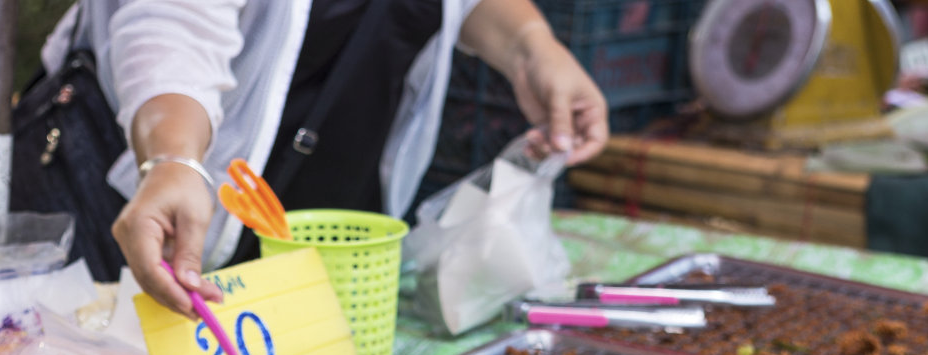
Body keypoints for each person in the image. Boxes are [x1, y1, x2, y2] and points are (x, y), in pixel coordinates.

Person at [40, 0, 608, 316]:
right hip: (151, 197)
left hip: (324, 197)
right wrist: (174, 159)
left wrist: (532, 47)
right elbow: (171, 24)